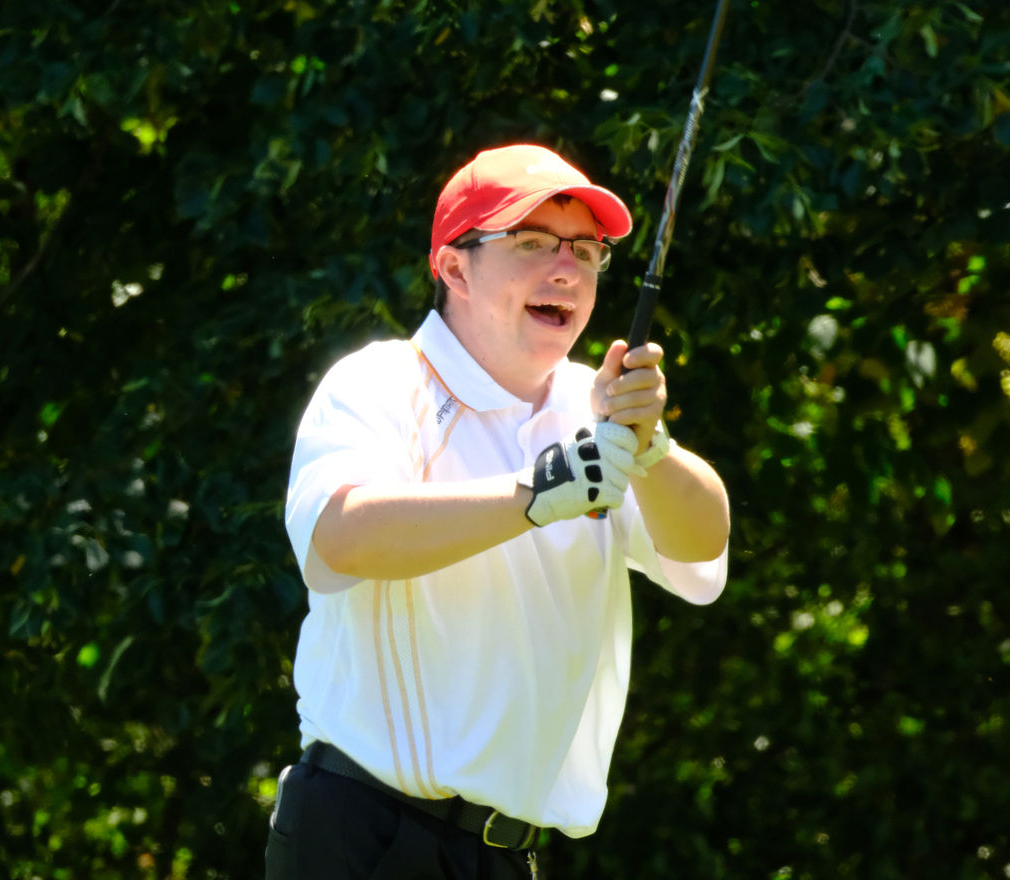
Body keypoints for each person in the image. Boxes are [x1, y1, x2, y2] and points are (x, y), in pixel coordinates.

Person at [268, 143, 730, 880]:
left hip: (508, 856)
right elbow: (342, 536)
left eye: (586, 250)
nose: (567, 269)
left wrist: (652, 449)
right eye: (533, 242)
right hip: (368, 831)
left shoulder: (595, 407)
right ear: (455, 268)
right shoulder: (382, 382)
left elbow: (702, 545)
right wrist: (538, 493)